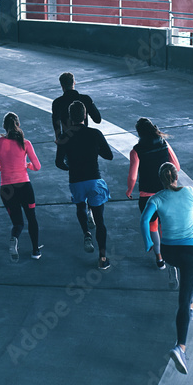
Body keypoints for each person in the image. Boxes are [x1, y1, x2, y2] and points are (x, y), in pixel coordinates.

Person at [141, 162, 193, 375]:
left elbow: (144, 221)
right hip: (190, 252)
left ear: (161, 180)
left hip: (168, 251)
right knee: (183, 299)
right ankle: (181, 347)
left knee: (185, 284)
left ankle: (188, 299)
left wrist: (149, 243)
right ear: (176, 176)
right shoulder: (190, 192)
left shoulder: (156, 198)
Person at [55, 100, 114, 270]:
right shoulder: (95, 133)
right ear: (85, 115)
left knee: (80, 207)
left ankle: (86, 233)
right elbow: (108, 156)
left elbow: (59, 162)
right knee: (100, 221)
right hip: (94, 180)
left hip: (76, 180)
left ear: (70, 117)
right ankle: (102, 258)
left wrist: (71, 167)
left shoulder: (64, 136)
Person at [126, 118, 181, 270]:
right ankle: (172, 253)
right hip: (166, 192)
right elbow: (176, 165)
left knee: (153, 226)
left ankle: (159, 258)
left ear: (139, 133)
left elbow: (133, 176)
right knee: (167, 224)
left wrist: (129, 190)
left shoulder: (136, 150)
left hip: (147, 196)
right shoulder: (164, 143)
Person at [0, 112, 42, 262]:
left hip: (6, 189)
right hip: (24, 186)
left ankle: (14, 238)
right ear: (18, 125)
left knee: (18, 222)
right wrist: (27, 165)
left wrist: (3, 168)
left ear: (4, 126)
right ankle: (35, 250)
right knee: (32, 218)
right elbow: (37, 166)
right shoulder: (25, 143)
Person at [51, 72, 102, 144]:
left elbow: (56, 123)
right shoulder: (86, 99)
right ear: (74, 83)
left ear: (62, 85)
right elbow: (97, 119)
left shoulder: (57, 102)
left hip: (67, 140)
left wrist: (59, 138)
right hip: (85, 138)